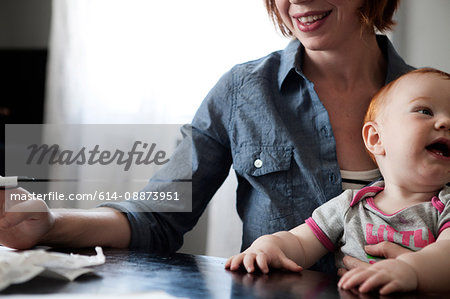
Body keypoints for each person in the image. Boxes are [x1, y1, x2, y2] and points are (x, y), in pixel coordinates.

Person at [0, 0, 414, 274]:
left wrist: (426, 270)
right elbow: (159, 213)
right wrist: (49, 223)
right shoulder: (242, 91)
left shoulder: (436, 103)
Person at [226, 68, 450, 294]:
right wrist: (269, 246)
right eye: (425, 111)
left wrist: (410, 271)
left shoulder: (446, 207)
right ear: (376, 138)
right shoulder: (351, 205)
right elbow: (301, 242)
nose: (445, 123)